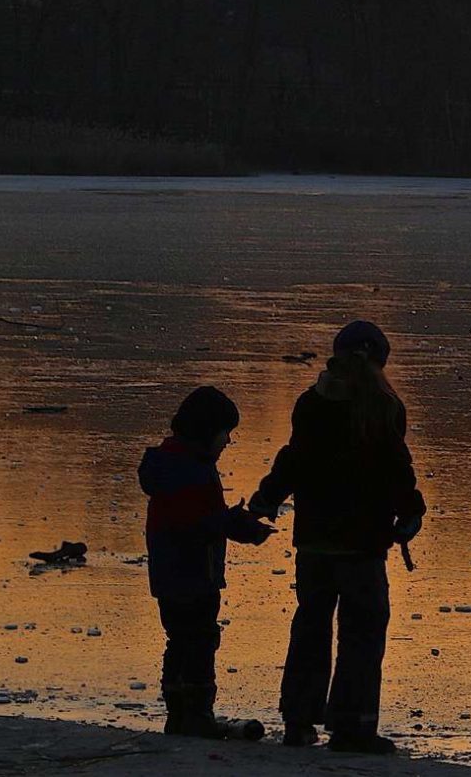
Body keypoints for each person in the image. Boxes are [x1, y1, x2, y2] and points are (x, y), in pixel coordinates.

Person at [249, 319, 425, 753]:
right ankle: (354, 726)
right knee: (362, 633)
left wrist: (268, 496)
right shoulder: (385, 406)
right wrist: (411, 511)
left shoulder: (311, 402)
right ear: (380, 361)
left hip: (314, 541)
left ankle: (299, 721)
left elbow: (294, 459)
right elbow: (396, 470)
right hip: (362, 545)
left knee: (310, 627)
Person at [137, 385, 276, 740]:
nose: (227, 441)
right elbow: (201, 525)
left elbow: (200, 520)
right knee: (198, 640)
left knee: (180, 640)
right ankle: (195, 714)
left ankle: (180, 712)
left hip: (170, 575)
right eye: (224, 433)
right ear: (205, 432)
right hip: (193, 574)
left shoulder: (175, 464)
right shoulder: (191, 471)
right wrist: (241, 526)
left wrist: (231, 522)